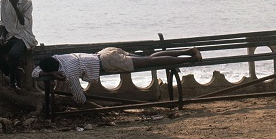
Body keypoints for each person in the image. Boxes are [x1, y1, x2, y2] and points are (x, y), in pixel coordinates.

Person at [32, 47, 203, 106]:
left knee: (150, 62)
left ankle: (190, 56)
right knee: (147, 59)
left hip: (108, 62)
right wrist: (49, 73)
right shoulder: (57, 59)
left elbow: (79, 97)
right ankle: (188, 51)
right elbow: (35, 72)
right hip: (104, 54)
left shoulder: (68, 72)